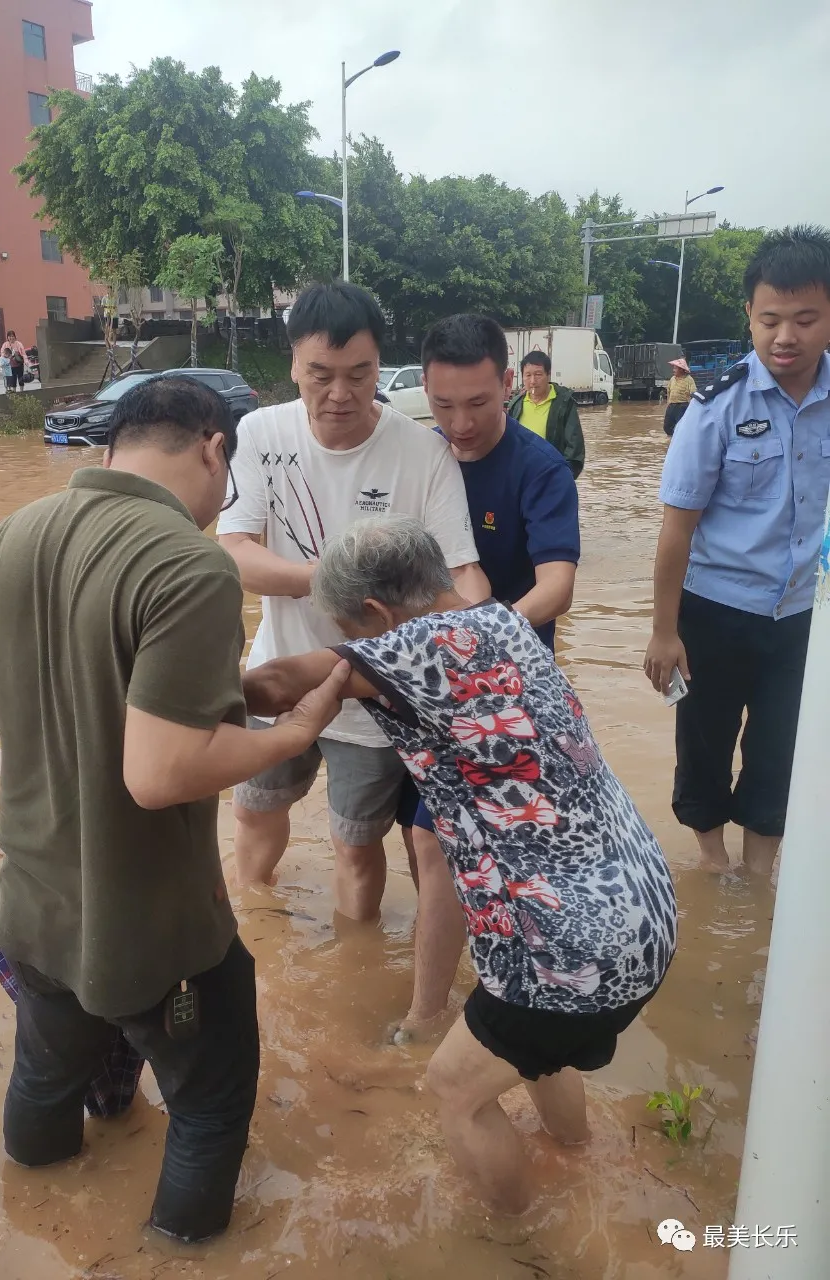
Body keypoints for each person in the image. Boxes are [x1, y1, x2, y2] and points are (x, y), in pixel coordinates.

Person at [0, 376, 349, 1243]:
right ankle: (176, 1258)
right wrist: (293, 731)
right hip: (152, 930)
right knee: (211, 1107)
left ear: (113, 445)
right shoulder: (190, 561)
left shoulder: (9, 535)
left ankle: (32, 1218)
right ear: (214, 447)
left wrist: (60, 720)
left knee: (44, 1078)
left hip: (31, 909)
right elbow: (160, 774)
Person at [244, 515, 677, 1213]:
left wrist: (144, 698)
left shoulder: (408, 648)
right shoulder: (502, 620)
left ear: (379, 613)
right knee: (538, 1051)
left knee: (456, 1090)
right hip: (641, 907)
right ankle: (578, 1162)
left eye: (354, 630)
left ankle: (517, 1238)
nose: (358, 646)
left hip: (568, 944)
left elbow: (267, 685)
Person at [216, 282, 488, 923]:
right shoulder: (259, 433)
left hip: (374, 693)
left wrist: (489, 639)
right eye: (320, 375)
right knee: (255, 810)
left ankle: (354, 959)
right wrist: (334, 581)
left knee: (356, 844)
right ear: (293, 365)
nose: (339, 394)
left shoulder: (422, 453)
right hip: (279, 670)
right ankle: (256, 933)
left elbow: (462, 573)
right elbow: (235, 551)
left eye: (359, 375)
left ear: (380, 368)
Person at [396, 315, 581, 1037]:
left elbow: (556, 585)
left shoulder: (539, 469)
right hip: (427, 689)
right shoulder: (419, 459)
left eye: (478, 403)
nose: (460, 423)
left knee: (441, 844)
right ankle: (447, 985)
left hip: (512, 694)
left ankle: (430, 1015)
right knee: (431, 844)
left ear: (509, 384)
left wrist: (486, 637)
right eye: (442, 406)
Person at [644, 225, 830, 875]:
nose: (787, 336)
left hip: (798, 613)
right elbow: (676, 530)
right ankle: (713, 864)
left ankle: (756, 879)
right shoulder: (715, 405)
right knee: (704, 743)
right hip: (714, 610)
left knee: (781, 750)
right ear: (749, 316)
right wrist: (664, 633)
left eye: (806, 319)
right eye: (771, 319)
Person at [507, 350, 586, 478]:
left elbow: (575, 449)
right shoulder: (516, 405)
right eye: (528, 375)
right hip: (522, 478)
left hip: (551, 477)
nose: (532, 381)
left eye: (538, 374)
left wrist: (562, 479)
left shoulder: (564, 403)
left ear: (548, 375)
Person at [663, 358, 697, 437]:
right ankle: (672, 439)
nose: (673, 370)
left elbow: (693, 393)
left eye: (675, 368)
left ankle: (679, 440)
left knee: (681, 426)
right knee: (667, 427)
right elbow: (669, 391)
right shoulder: (672, 379)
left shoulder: (689, 379)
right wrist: (668, 403)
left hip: (683, 406)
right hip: (671, 405)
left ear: (681, 370)